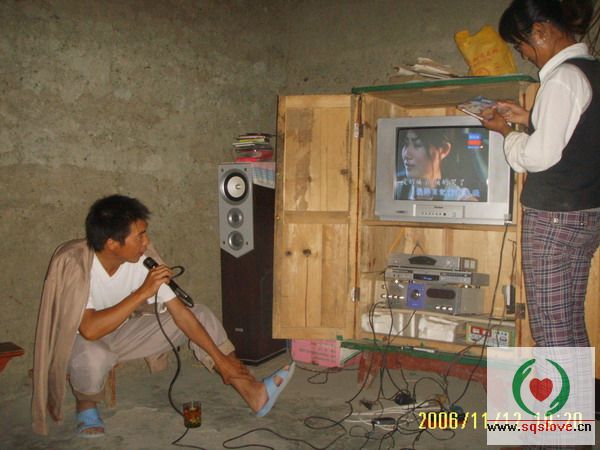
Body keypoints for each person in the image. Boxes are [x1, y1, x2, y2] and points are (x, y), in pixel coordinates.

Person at [32, 194, 295, 437]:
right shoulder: (76, 264)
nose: (146, 242)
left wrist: (221, 362)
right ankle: (86, 405)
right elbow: (89, 330)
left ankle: (251, 391)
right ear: (112, 244)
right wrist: (142, 292)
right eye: (140, 236)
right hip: (81, 342)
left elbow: (180, 314)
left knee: (199, 314)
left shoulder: (142, 259)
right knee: (94, 355)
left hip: (125, 334)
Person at [481, 0, 599, 347]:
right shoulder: (591, 71)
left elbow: (538, 156)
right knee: (568, 320)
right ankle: (577, 385)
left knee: (551, 328)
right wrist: (529, 117)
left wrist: (506, 132)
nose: (526, 56)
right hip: (586, 214)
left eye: (522, 47)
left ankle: (562, 387)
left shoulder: (562, 78)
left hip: (553, 221)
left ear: (540, 31)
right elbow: (579, 131)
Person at [395, 128, 481, 201]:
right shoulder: (397, 190)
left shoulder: (460, 198)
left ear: (444, 150)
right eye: (406, 144)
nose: (406, 154)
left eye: (417, 145)